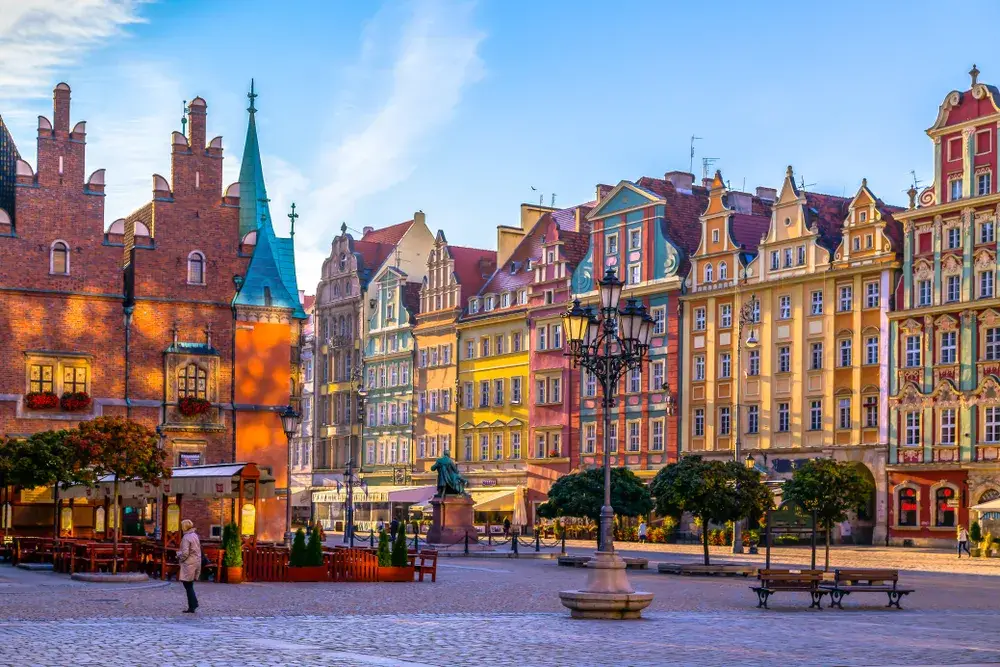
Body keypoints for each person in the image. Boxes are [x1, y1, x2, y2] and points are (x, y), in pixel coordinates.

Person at [177, 519, 201, 613]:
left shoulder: (186, 537)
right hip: (195, 561)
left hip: (189, 563)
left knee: (188, 585)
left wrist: (180, 557)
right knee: (189, 585)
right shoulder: (194, 535)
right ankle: (193, 604)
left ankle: (193, 605)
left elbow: (185, 553)